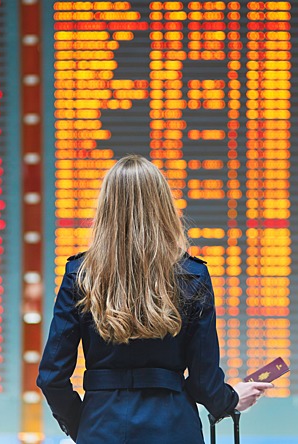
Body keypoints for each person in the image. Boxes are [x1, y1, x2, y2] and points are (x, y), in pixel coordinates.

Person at [37, 155, 272, 443]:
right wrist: (231, 399)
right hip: (174, 428)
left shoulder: (80, 275)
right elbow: (202, 381)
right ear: (163, 205)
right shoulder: (193, 274)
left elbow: (52, 378)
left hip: (101, 426)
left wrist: (82, 426)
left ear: (106, 208)